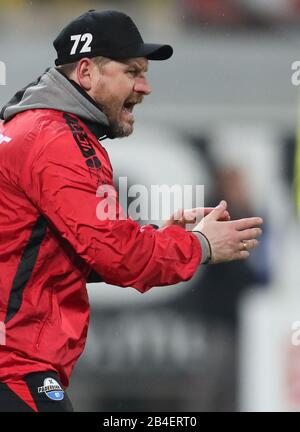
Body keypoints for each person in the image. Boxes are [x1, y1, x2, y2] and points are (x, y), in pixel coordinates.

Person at [0, 10, 262, 412]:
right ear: (86, 72)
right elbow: (117, 255)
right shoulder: (58, 140)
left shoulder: (28, 128)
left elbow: (47, 252)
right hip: (14, 368)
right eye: (133, 71)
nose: (145, 86)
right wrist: (199, 246)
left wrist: (163, 236)